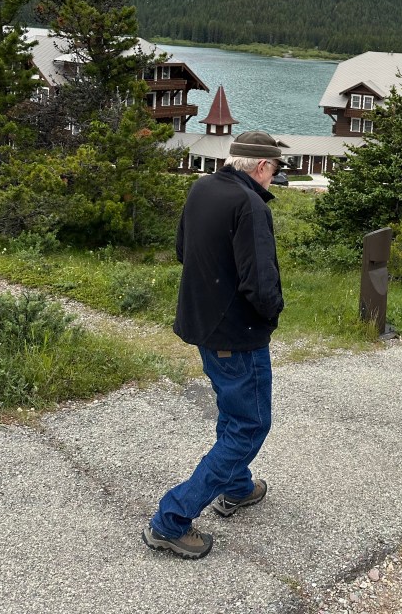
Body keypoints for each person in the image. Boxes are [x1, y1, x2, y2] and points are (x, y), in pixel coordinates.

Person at [143, 130, 286, 559]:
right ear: (262, 166)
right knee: (249, 426)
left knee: (233, 411)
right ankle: (172, 519)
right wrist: (271, 316)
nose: (275, 178)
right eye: (275, 170)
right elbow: (261, 283)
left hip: (203, 325)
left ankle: (237, 487)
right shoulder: (251, 205)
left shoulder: (202, 188)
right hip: (238, 335)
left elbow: (183, 250)